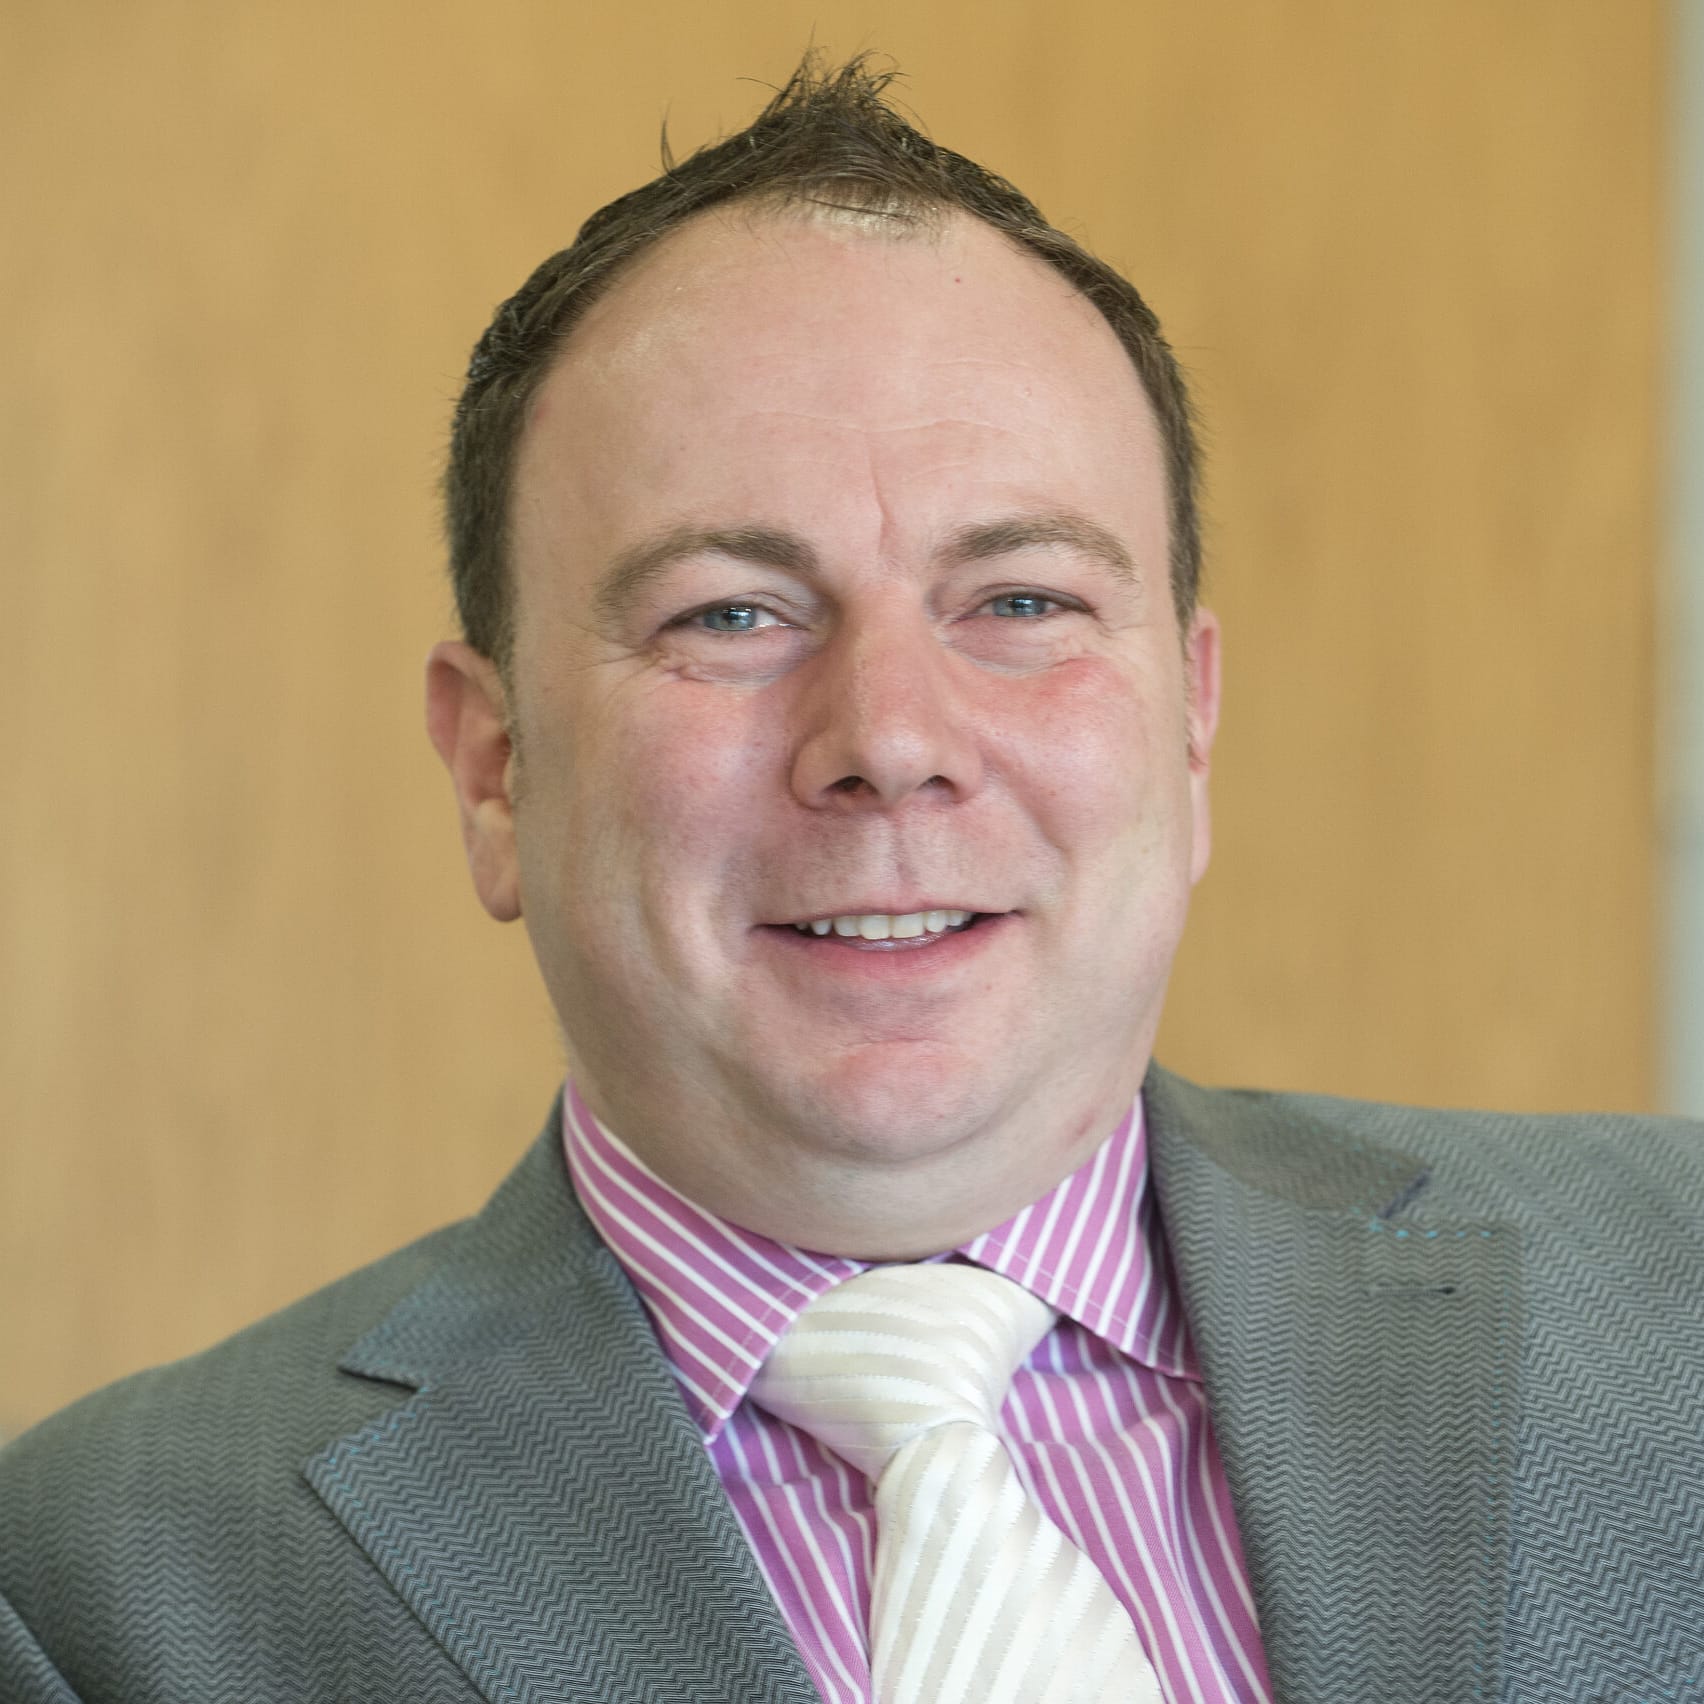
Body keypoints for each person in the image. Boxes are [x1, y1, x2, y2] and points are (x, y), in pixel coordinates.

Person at [2, 54, 1700, 1704]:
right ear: (496, 768)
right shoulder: (89, 1593)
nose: (890, 738)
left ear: (1190, 729)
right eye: (730, 614)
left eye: (1021, 601)